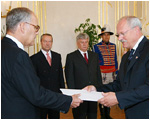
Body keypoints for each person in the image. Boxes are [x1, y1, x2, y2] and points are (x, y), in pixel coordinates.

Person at [1, 7, 83, 119]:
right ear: (22, 26)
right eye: (35, 27)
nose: (37, 32)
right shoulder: (18, 55)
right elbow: (36, 94)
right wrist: (68, 100)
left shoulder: (4, 48)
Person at [84, 16, 149, 119]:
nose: (119, 38)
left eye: (123, 33)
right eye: (118, 35)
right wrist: (96, 88)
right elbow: (119, 84)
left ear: (136, 30)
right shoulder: (126, 57)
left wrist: (118, 98)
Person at [65, 33, 102, 119]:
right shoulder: (71, 57)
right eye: (82, 42)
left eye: (86, 42)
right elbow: (69, 77)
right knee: (80, 116)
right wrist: (73, 94)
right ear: (77, 43)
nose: (84, 44)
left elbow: (98, 74)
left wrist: (99, 88)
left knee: (92, 116)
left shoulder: (94, 55)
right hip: (79, 93)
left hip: (93, 92)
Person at [30, 33, 65, 119]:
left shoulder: (57, 56)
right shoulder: (34, 58)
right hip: (41, 97)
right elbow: (33, 80)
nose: (47, 43)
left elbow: (60, 75)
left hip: (55, 96)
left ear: (52, 43)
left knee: (55, 117)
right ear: (41, 42)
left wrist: (62, 92)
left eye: (50, 41)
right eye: (45, 41)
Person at [93, 24, 118, 119]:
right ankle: (102, 114)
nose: (106, 36)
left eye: (108, 34)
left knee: (110, 93)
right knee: (101, 93)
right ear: (101, 36)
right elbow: (95, 62)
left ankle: (107, 114)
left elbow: (115, 60)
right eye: (104, 35)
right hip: (101, 73)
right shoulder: (96, 46)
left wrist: (116, 72)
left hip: (112, 74)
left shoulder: (114, 46)